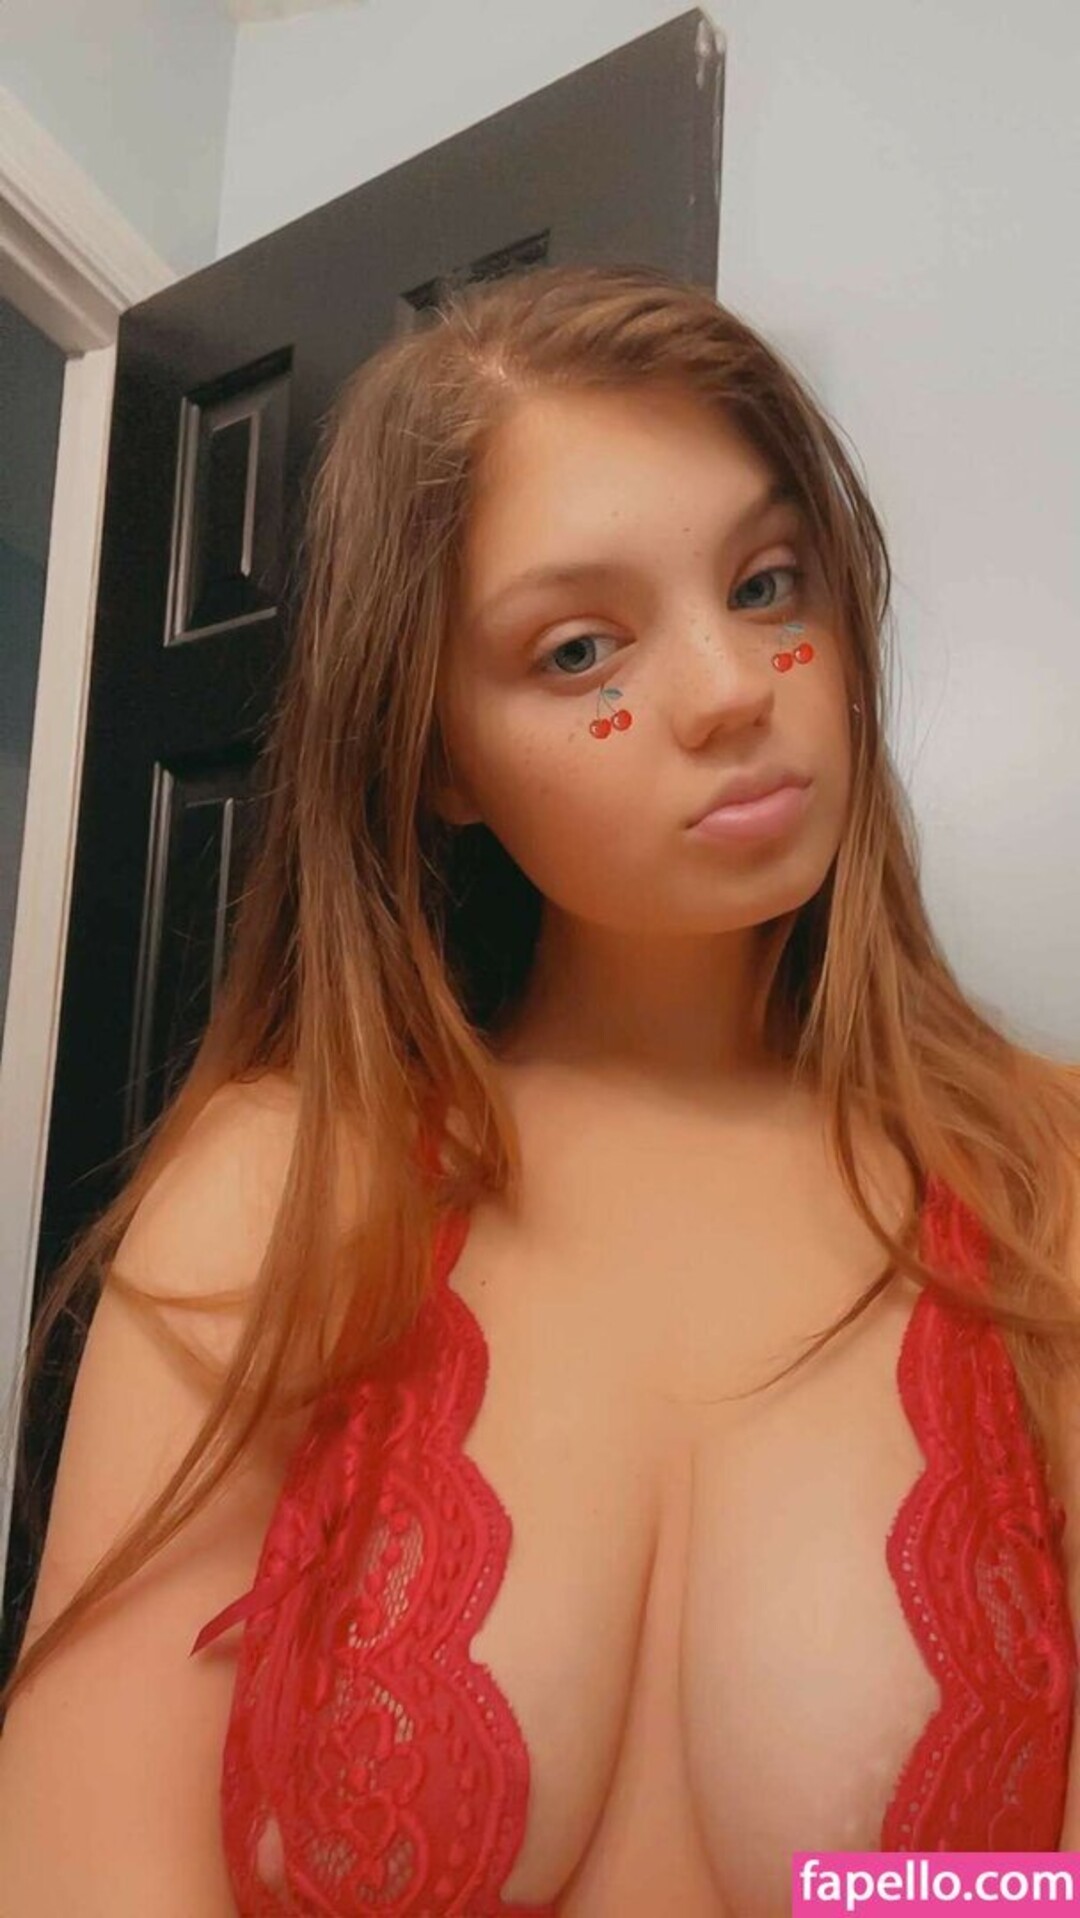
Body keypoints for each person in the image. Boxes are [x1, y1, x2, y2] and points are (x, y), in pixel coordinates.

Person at [1, 262, 1079, 1916]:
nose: (733, 686)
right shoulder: (278, 1186)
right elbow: (83, 1879)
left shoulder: (1045, 1180)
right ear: (438, 752)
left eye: (767, 581)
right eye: (581, 649)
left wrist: (885, 1896)